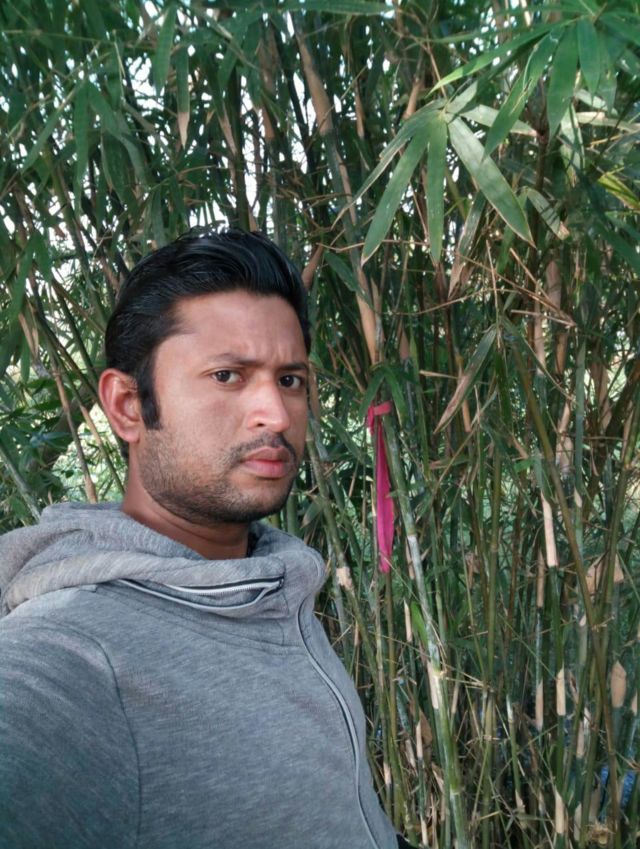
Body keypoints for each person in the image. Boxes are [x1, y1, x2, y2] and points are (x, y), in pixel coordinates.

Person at [0, 230, 412, 848]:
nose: (276, 414)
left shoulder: (278, 580)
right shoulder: (73, 652)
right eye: (227, 375)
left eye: (291, 379)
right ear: (128, 406)